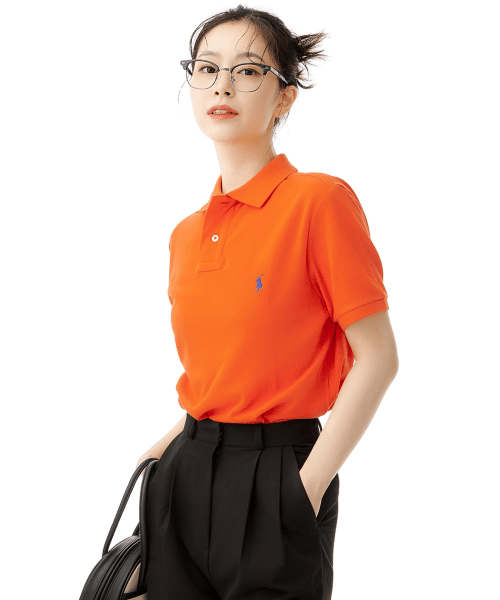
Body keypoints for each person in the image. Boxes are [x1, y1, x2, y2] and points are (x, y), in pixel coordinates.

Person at [137, 5, 399, 599]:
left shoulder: (318, 202)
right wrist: (159, 457)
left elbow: (379, 357)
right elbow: (223, 376)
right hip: (184, 469)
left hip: (279, 474)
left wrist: (306, 487)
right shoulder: (185, 233)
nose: (222, 85)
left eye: (249, 70)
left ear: (284, 98)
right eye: (207, 68)